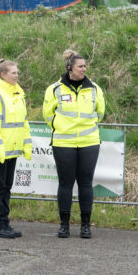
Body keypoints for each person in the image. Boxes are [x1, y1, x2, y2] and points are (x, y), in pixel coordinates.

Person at [42, 49, 105, 239]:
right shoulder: (55, 89)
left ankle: (86, 226)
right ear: (70, 68)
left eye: (85, 66)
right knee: (65, 184)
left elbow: (100, 112)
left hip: (89, 142)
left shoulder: (94, 88)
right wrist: (60, 127)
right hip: (63, 142)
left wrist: (87, 128)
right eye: (80, 66)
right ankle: (64, 225)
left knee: (86, 184)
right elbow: (47, 114)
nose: (84, 69)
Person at [0, 59, 33, 238]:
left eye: (17, 72)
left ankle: (5, 224)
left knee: (6, 187)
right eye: (13, 73)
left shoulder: (17, 94)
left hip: (11, 150)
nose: (17, 76)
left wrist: (26, 144)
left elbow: (23, 124)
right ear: (3, 75)